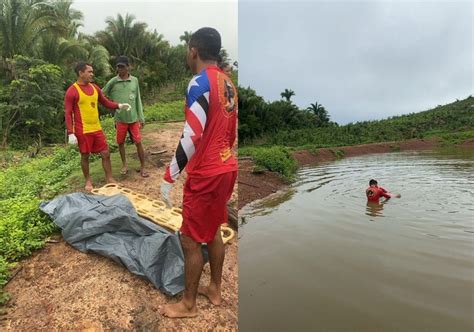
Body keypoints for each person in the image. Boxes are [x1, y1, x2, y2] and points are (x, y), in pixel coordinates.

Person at [158, 27, 238, 318]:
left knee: (190, 238)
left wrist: (170, 176)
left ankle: (188, 304)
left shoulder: (199, 83)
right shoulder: (228, 83)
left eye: (187, 50)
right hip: (227, 166)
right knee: (214, 228)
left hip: (207, 172)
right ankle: (214, 289)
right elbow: (229, 132)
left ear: (193, 50)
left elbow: (192, 135)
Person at [65, 62, 131, 191]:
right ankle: (88, 181)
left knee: (105, 153)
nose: (92, 74)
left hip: (97, 128)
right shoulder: (72, 91)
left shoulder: (95, 88)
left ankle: (109, 178)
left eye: (92, 71)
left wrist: (119, 105)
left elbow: (105, 102)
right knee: (85, 155)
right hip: (82, 130)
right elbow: (68, 112)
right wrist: (70, 133)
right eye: (89, 72)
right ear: (80, 73)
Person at [103, 56, 148, 177]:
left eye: (122, 67)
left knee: (138, 142)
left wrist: (141, 117)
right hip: (120, 119)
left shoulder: (134, 81)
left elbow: (138, 99)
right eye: (118, 67)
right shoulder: (113, 81)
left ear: (128, 67)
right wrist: (113, 105)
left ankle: (143, 167)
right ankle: (124, 165)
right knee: (120, 142)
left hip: (133, 118)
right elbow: (102, 95)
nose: (120, 69)